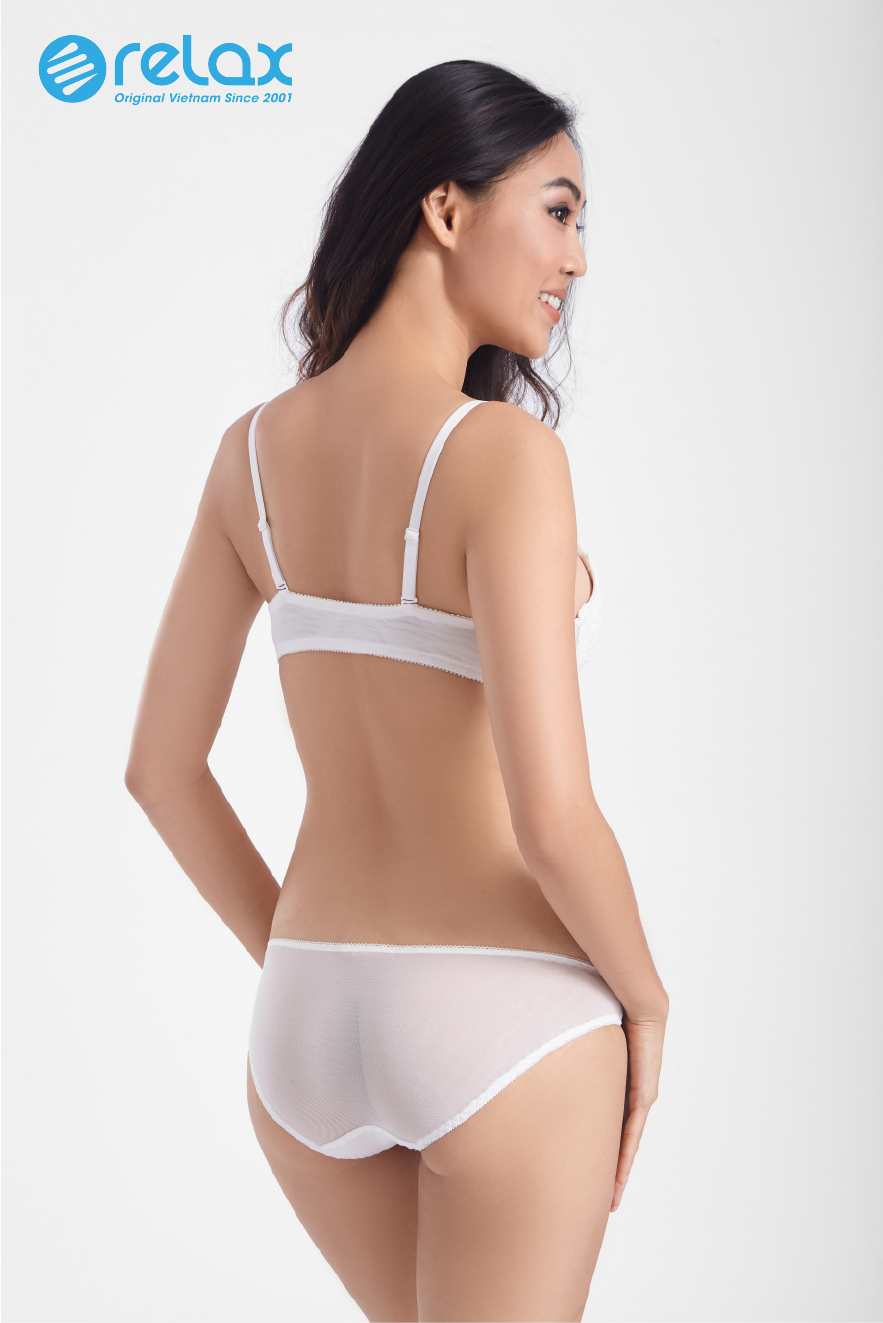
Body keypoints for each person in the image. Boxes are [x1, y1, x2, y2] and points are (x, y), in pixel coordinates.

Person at [126, 59, 668, 1323]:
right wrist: (646, 1000)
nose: (576, 257)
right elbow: (553, 822)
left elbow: (159, 771)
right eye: (558, 210)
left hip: (308, 1017)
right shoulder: (505, 458)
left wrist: (301, 960)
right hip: (505, 1015)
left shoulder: (250, 455)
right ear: (445, 207)